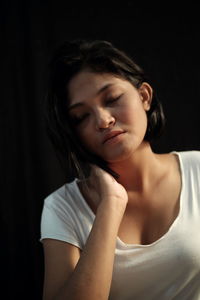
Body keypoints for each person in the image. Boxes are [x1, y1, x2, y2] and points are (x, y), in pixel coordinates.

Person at [40, 39, 200, 300]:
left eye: (112, 98)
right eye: (82, 116)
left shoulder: (198, 170)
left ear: (144, 96)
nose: (103, 120)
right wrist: (111, 203)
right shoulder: (62, 207)